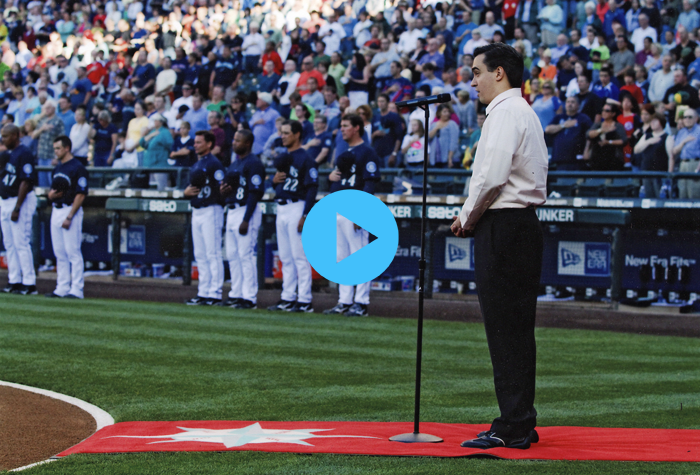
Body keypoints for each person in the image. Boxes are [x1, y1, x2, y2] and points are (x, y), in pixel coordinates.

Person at [451, 43, 547, 450]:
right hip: (520, 225)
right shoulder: (522, 110)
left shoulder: (505, 112)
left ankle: (512, 425)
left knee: (505, 330)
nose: (472, 81)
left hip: (504, 226)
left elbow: (490, 177)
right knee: (516, 329)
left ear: (500, 73)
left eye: (477, 72)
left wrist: (466, 217)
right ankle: (521, 419)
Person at [323, 114, 381, 317]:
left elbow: (370, 182)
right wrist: (331, 178)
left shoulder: (367, 152)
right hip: (340, 207)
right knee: (342, 257)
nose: (342, 130)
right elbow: (338, 181)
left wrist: (362, 213)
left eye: (346, 126)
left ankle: (361, 302)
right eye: (341, 126)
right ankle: (345, 300)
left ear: (357, 128)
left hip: (355, 208)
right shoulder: (344, 152)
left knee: (360, 256)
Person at [267, 120, 319, 314]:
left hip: (297, 207)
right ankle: (288, 297)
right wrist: (273, 182)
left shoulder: (306, 158)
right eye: (282, 132)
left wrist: (305, 214)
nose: (283, 136)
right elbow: (280, 183)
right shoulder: (283, 157)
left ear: (297, 134)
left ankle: (304, 300)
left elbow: (312, 187)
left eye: (287, 132)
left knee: (300, 256)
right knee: (286, 257)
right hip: (281, 207)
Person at [219, 130, 265, 309]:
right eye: (234, 139)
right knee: (232, 255)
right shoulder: (234, 163)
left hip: (246, 209)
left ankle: (249, 297)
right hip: (232, 209)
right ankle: (235, 294)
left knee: (245, 255)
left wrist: (246, 219)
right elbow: (230, 189)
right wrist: (224, 192)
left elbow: (255, 193)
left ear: (247, 143)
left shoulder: (254, 163)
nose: (234, 142)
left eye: (238, 140)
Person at [183, 131, 225, 306]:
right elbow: (191, 188)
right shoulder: (197, 164)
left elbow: (222, 188)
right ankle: (203, 291)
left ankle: (214, 293)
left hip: (211, 209)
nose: (196, 145)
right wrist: (185, 193)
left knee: (212, 253)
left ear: (209, 144)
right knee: (200, 254)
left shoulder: (215, 164)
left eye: (199, 142)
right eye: (195, 142)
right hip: (198, 210)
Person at [45, 135, 88, 299]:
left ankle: (77, 289)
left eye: (58, 148)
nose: (55, 151)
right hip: (57, 209)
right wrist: (50, 195)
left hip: (71, 209)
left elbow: (81, 194)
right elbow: (52, 192)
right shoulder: (57, 168)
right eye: (55, 148)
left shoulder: (77, 167)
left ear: (67, 148)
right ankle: (61, 287)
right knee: (59, 252)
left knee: (73, 252)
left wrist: (70, 216)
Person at [0, 124, 38, 295]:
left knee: (21, 243)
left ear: (15, 136)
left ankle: (29, 283)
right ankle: (14, 280)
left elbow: (26, 181)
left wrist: (17, 208)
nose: (3, 139)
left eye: (5, 136)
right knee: (9, 244)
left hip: (20, 201)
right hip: (6, 200)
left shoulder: (24, 153)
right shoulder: (10, 154)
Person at [545, 95, 593, 169]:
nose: (570, 104)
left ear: (578, 105)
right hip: (559, 158)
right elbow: (548, 129)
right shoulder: (559, 117)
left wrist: (587, 150)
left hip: (576, 159)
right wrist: (563, 125)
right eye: (568, 102)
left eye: (573, 102)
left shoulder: (583, 118)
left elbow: (589, 135)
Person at [635, 112, 673, 197]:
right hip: (646, 171)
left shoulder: (667, 137)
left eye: (655, 121)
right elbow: (636, 150)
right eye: (651, 121)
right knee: (647, 198)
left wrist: (669, 175)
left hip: (660, 173)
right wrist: (648, 142)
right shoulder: (646, 136)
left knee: (660, 198)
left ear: (661, 122)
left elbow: (671, 156)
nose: (652, 123)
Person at [586, 103, 628, 170]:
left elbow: (624, 140)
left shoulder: (618, 126)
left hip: (613, 159)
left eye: (607, 111)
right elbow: (588, 134)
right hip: (597, 159)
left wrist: (608, 142)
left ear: (613, 113)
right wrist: (601, 130)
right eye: (603, 110)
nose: (604, 112)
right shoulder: (598, 125)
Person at [33, 102, 65, 187]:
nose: (46, 110)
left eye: (48, 108)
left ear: (54, 108)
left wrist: (57, 157)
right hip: (41, 154)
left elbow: (62, 139)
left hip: (51, 155)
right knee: (42, 180)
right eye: (45, 108)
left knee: (51, 180)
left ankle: (53, 199)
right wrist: (42, 128)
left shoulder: (58, 121)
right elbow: (33, 135)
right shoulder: (42, 121)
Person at [671, 108, 700, 199]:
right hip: (682, 164)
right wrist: (684, 142)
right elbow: (674, 151)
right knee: (682, 192)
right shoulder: (681, 132)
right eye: (685, 117)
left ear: (696, 118)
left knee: (694, 193)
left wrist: (698, 169)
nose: (687, 119)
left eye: (690, 117)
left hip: (695, 164)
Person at [139, 114, 173, 190]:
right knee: (152, 187)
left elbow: (170, 144)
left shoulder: (165, 132)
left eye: (156, 120)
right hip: (149, 163)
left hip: (159, 163)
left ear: (161, 122)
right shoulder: (153, 131)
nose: (154, 122)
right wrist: (149, 135)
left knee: (161, 186)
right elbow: (142, 143)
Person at [371, 94, 404, 167]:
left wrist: (394, 154)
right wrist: (375, 134)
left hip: (389, 153)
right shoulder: (375, 117)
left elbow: (399, 136)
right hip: (377, 153)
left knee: (390, 176)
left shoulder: (394, 117)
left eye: (382, 101)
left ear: (387, 102)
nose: (380, 103)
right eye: (379, 101)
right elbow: (371, 137)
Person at [428, 103, 460, 168]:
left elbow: (453, 142)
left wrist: (450, 158)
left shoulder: (452, 124)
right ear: (439, 113)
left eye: (448, 111)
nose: (447, 113)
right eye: (444, 112)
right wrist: (436, 128)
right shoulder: (434, 124)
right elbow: (428, 138)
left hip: (447, 157)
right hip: (435, 157)